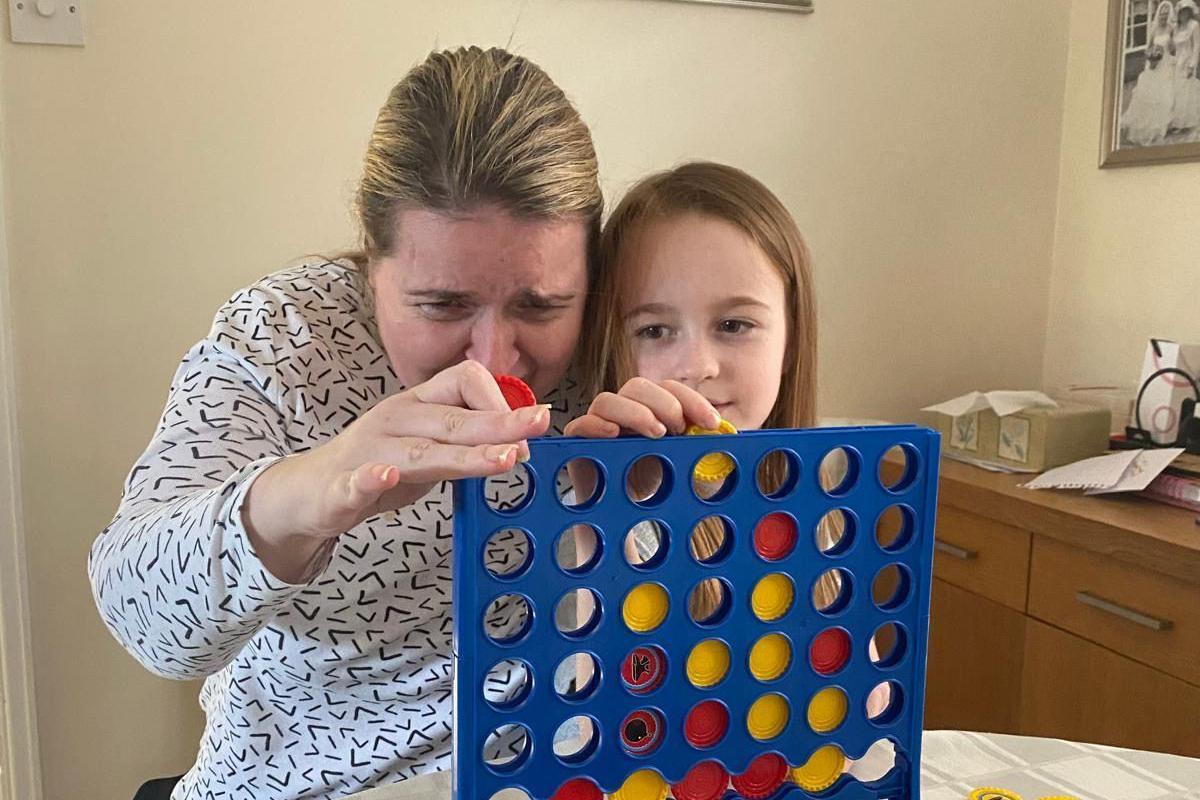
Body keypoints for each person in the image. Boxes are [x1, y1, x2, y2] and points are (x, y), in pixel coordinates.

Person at [89, 46, 621, 800]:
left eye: (540, 306)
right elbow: (142, 617)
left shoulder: (618, 340)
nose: (493, 357)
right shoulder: (285, 336)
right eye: (441, 305)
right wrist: (311, 492)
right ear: (371, 262)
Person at [564, 160, 891, 770]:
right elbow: (610, 726)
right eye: (655, 329)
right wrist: (600, 520)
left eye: (735, 324)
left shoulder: (824, 510)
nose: (698, 365)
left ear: (792, 336)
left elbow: (864, 725)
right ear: (613, 344)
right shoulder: (616, 512)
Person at [1122, 1, 1177, 146]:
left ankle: (1160, 125)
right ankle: (1145, 124)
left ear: (1169, 14)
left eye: (1166, 13)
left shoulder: (1171, 29)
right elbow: (1149, 47)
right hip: (1153, 65)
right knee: (1148, 93)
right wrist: (1151, 58)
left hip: (1165, 65)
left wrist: (1171, 42)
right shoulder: (1154, 29)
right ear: (1159, 14)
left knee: (1164, 94)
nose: (1164, 15)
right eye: (1162, 13)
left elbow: (1172, 50)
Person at [1171, 0, 1200, 132]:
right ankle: (1176, 121)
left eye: (1187, 11)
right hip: (1177, 62)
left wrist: (1192, 65)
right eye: (1182, 11)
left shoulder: (1194, 25)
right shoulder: (1177, 27)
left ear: (1190, 12)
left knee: (1186, 91)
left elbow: (1197, 46)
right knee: (1176, 91)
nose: (1184, 14)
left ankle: (1184, 123)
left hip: (1187, 61)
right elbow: (1173, 47)